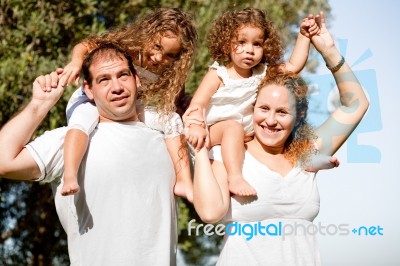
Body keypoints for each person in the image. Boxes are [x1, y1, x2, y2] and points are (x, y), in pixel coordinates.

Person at [190, 12, 369, 265]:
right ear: (251, 109)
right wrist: (200, 144)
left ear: (297, 118)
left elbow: (356, 104)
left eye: (282, 112)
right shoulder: (229, 153)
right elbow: (209, 212)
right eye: (263, 109)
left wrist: (327, 49)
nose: (271, 120)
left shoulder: (306, 154)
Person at [0, 43, 179, 265]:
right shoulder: (71, 141)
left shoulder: (169, 141)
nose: (116, 87)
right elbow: (3, 162)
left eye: (123, 75)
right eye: (103, 80)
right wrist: (39, 105)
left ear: (137, 79)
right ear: (88, 89)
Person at [51, 8, 197, 199]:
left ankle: (184, 182)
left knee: (171, 120)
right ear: (147, 34)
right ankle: (70, 174)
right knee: (82, 121)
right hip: (91, 100)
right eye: (157, 47)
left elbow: (176, 103)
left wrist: (185, 109)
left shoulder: (170, 74)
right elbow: (85, 45)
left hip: (126, 107)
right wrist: (76, 62)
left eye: (170, 55)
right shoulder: (128, 46)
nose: (159, 58)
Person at [184, 8, 322, 197]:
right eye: (241, 42)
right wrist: (195, 126)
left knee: (284, 134)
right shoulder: (219, 74)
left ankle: (308, 160)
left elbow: (293, 66)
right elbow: (197, 104)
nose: (249, 50)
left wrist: (304, 36)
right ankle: (235, 177)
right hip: (214, 130)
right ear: (227, 43)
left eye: (257, 44)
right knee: (233, 128)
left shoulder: (262, 73)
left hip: (243, 135)